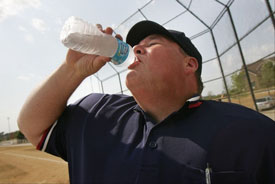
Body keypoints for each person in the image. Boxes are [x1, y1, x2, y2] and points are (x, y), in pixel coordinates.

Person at [18, 20, 275, 184]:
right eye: (135, 46)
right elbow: (32, 126)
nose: (136, 49)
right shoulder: (96, 111)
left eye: (150, 44)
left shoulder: (251, 132)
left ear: (189, 64)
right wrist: (72, 70)